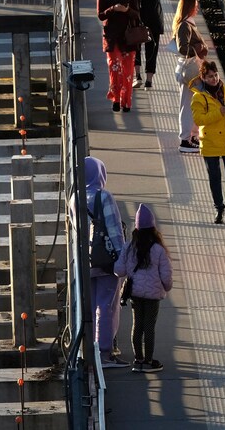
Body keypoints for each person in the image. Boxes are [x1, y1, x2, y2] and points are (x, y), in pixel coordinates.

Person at [83, 156, 131, 367]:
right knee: (107, 305)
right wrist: (123, 259)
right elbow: (114, 231)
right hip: (106, 261)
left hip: (86, 260)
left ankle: (91, 348)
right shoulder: (103, 197)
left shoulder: (75, 197)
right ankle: (105, 352)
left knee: (92, 304)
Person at [114, 204, 173, 373]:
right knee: (149, 327)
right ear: (153, 228)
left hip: (135, 293)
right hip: (153, 295)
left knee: (137, 325)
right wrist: (166, 287)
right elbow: (166, 275)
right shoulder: (158, 249)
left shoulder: (129, 247)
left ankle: (138, 360)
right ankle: (148, 361)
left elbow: (119, 271)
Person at [191, 61, 225, 224]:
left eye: (215, 75)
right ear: (203, 78)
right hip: (210, 143)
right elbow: (198, 119)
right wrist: (219, 112)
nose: (214, 79)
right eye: (210, 77)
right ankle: (219, 208)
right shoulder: (198, 97)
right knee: (214, 177)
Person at [97, 0, 142, 112]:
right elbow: (100, 15)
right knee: (114, 69)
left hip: (128, 38)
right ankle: (116, 99)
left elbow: (136, 14)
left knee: (128, 72)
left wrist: (126, 10)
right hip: (112, 38)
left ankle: (126, 101)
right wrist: (112, 9)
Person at [131, 0, 171, 90]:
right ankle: (149, 81)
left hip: (139, 13)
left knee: (136, 44)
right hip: (154, 13)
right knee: (152, 46)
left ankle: (138, 76)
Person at [172, 0, 208, 153]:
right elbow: (182, 48)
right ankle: (184, 140)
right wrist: (198, 49)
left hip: (191, 70)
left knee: (194, 105)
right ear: (189, 7)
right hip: (189, 71)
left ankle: (192, 136)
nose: (197, 8)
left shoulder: (188, 24)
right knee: (187, 106)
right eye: (195, 5)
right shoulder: (184, 26)